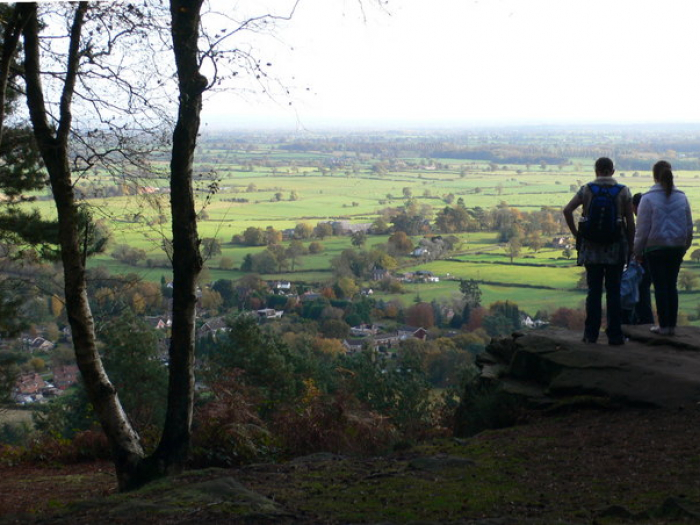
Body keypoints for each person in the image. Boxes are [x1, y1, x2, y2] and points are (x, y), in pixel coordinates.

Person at [563, 157, 635, 345]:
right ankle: (615, 335)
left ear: (596, 170)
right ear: (612, 170)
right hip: (615, 249)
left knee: (593, 292)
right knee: (614, 291)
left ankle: (590, 334)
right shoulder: (623, 191)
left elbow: (567, 210)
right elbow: (630, 223)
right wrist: (631, 247)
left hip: (591, 249)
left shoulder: (586, 189)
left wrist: (577, 234)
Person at [633, 160, 693, 336]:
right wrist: (685, 247)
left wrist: (637, 251)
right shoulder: (682, 197)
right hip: (676, 248)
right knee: (671, 285)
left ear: (654, 176)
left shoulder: (647, 198)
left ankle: (663, 326)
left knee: (660, 286)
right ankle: (672, 326)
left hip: (655, 249)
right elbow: (689, 227)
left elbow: (642, 229)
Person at [621, 193, 654, 325]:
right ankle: (644, 322)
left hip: (641, 261)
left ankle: (642, 322)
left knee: (639, 292)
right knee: (643, 292)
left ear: (634, 206)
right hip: (652, 260)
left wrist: (635, 254)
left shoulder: (642, 221)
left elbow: (639, 240)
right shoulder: (653, 219)